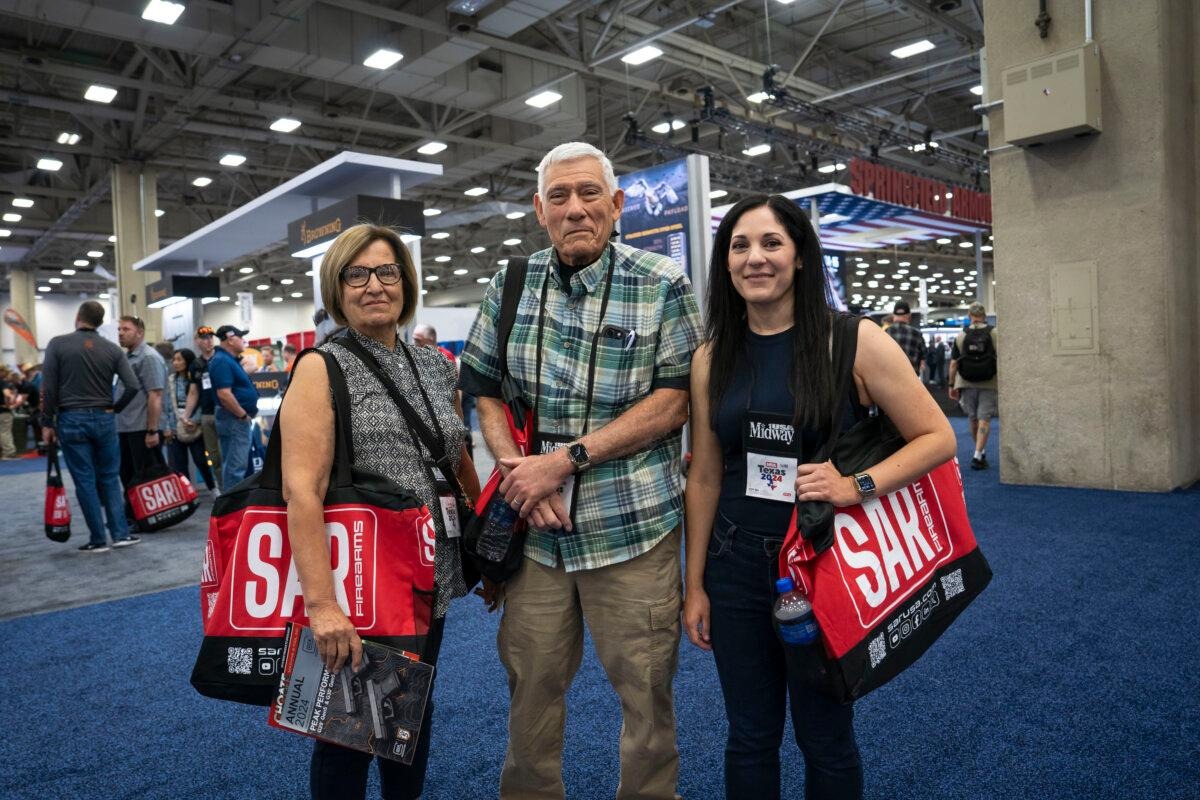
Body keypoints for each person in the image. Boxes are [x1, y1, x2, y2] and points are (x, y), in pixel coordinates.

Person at [682, 195, 956, 800]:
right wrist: (695, 582)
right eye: (740, 245)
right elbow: (704, 474)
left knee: (825, 735)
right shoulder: (710, 357)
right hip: (733, 565)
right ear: (725, 264)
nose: (755, 258)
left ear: (801, 256)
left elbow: (936, 436)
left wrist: (855, 487)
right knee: (749, 735)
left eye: (771, 243)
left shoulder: (852, 341)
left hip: (821, 562)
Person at [459, 141, 703, 800]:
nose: (575, 209)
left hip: (634, 530)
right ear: (540, 210)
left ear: (617, 204)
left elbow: (676, 400)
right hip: (535, 540)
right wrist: (519, 473)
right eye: (559, 197)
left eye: (589, 194)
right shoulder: (512, 283)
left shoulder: (661, 284)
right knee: (531, 691)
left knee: (646, 697)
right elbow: (482, 389)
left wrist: (563, 462)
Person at [281, 223, 479, 800]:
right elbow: (303, 491)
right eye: (357, 274)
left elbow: (456, 455)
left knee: (408, 714)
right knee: (346, 729)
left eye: (387, 272)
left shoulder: (435, 365)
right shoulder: (322, 367)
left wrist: (479, 554)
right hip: (360, 580)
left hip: (428, 575)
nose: (374, 285)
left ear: (405, 282)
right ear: (336, 288)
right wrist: (321, 604)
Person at [41, 300, 142, 551]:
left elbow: (49, 387)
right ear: (99, 322)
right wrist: (114, 408)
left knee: (84, 479)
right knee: (109, 477)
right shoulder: (112, 349)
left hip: (71, 418)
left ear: (78, 316)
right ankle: (120, 535)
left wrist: (47, 421)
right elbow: (132, 386)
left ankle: (98, 540)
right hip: (105, 417)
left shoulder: (58, 344)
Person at [115, 315, 167, 490]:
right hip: (127, 427)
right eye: (119, 329)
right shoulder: (129, 357)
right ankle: (132, 515)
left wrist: (152, 430)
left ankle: (142, 517)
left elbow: (156, 395)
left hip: (142, 429)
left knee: (146, 480)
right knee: (128, 475)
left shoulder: (148, 357)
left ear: (140, 333)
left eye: (126, 329)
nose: (121, 333)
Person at [208, 325, 259, 490]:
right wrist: (242, 415)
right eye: (240, 337)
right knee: (235, 469)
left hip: (234, 418)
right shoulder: (222, 361)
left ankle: (232, 508)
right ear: (230, 339)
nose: (244, 341)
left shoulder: (228, 360)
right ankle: (232, 511)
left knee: (234, 466)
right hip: (234, 419)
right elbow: (224, 394)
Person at [949, 302, 999, 470]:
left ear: (969, 316)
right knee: (984, 418)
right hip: (989, 382)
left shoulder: (961, 335)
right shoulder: (994, 333)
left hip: (966, 381)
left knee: (973, 418)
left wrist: (951, 385)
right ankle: (978, 455)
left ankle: (980, 450)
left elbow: (954, 364)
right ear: (984, 316)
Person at [161, 348, 216, 491]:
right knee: (179, 465)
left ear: (188, 360)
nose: (175, 363)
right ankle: (188, 493)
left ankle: (213, 490)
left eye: (179, 359)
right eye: (174, 359)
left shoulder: (197, 379)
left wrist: (194, 420)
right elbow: (165, 405)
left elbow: (201, 400)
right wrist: (167, 427)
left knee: (201, 461)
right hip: (175, 427)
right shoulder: (170, 380)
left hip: (194, 425)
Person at [186, 326, 223, 488]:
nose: (209, 341)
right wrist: (186, 415)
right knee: (214, 458)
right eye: (204, 338)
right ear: (197, 342)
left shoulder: (223, 357)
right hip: (207, 415)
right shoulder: (196, 365)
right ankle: (223, 490)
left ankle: (235, 490)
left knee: (227, 455)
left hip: (225, 412)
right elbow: (193, 392)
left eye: (210, 337)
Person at [884, 300, 926, 376]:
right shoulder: (917, 334)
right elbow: (923, 360)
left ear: (893, 315)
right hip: (910, 382)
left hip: (889, 381)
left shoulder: (885, 333)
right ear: (909, 315)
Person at [0, 368, 22, 459]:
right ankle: (9, 452)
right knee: (5, 432)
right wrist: (10, 402)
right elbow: (7, 395)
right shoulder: (3, 383)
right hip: (3, 411)